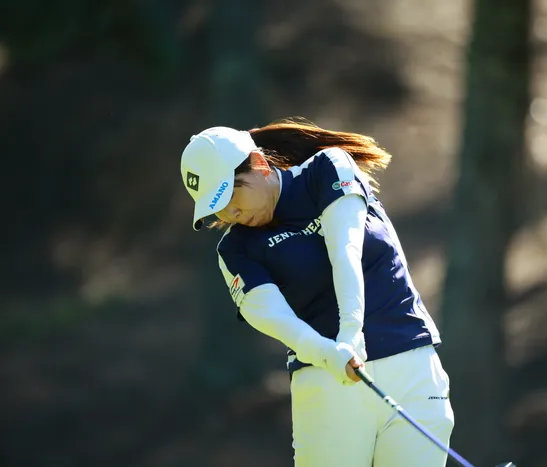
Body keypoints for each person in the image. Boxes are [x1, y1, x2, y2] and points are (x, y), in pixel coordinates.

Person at [179, 118, 454, 467]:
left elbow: (345, 249)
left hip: (412, 365)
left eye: (230, 194)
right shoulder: (235, 250)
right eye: (216, 207)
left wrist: (351, 333)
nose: (230, 212)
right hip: (327, 382)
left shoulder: (327, 169)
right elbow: (275, 318)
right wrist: (328, 353)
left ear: (259, 164)